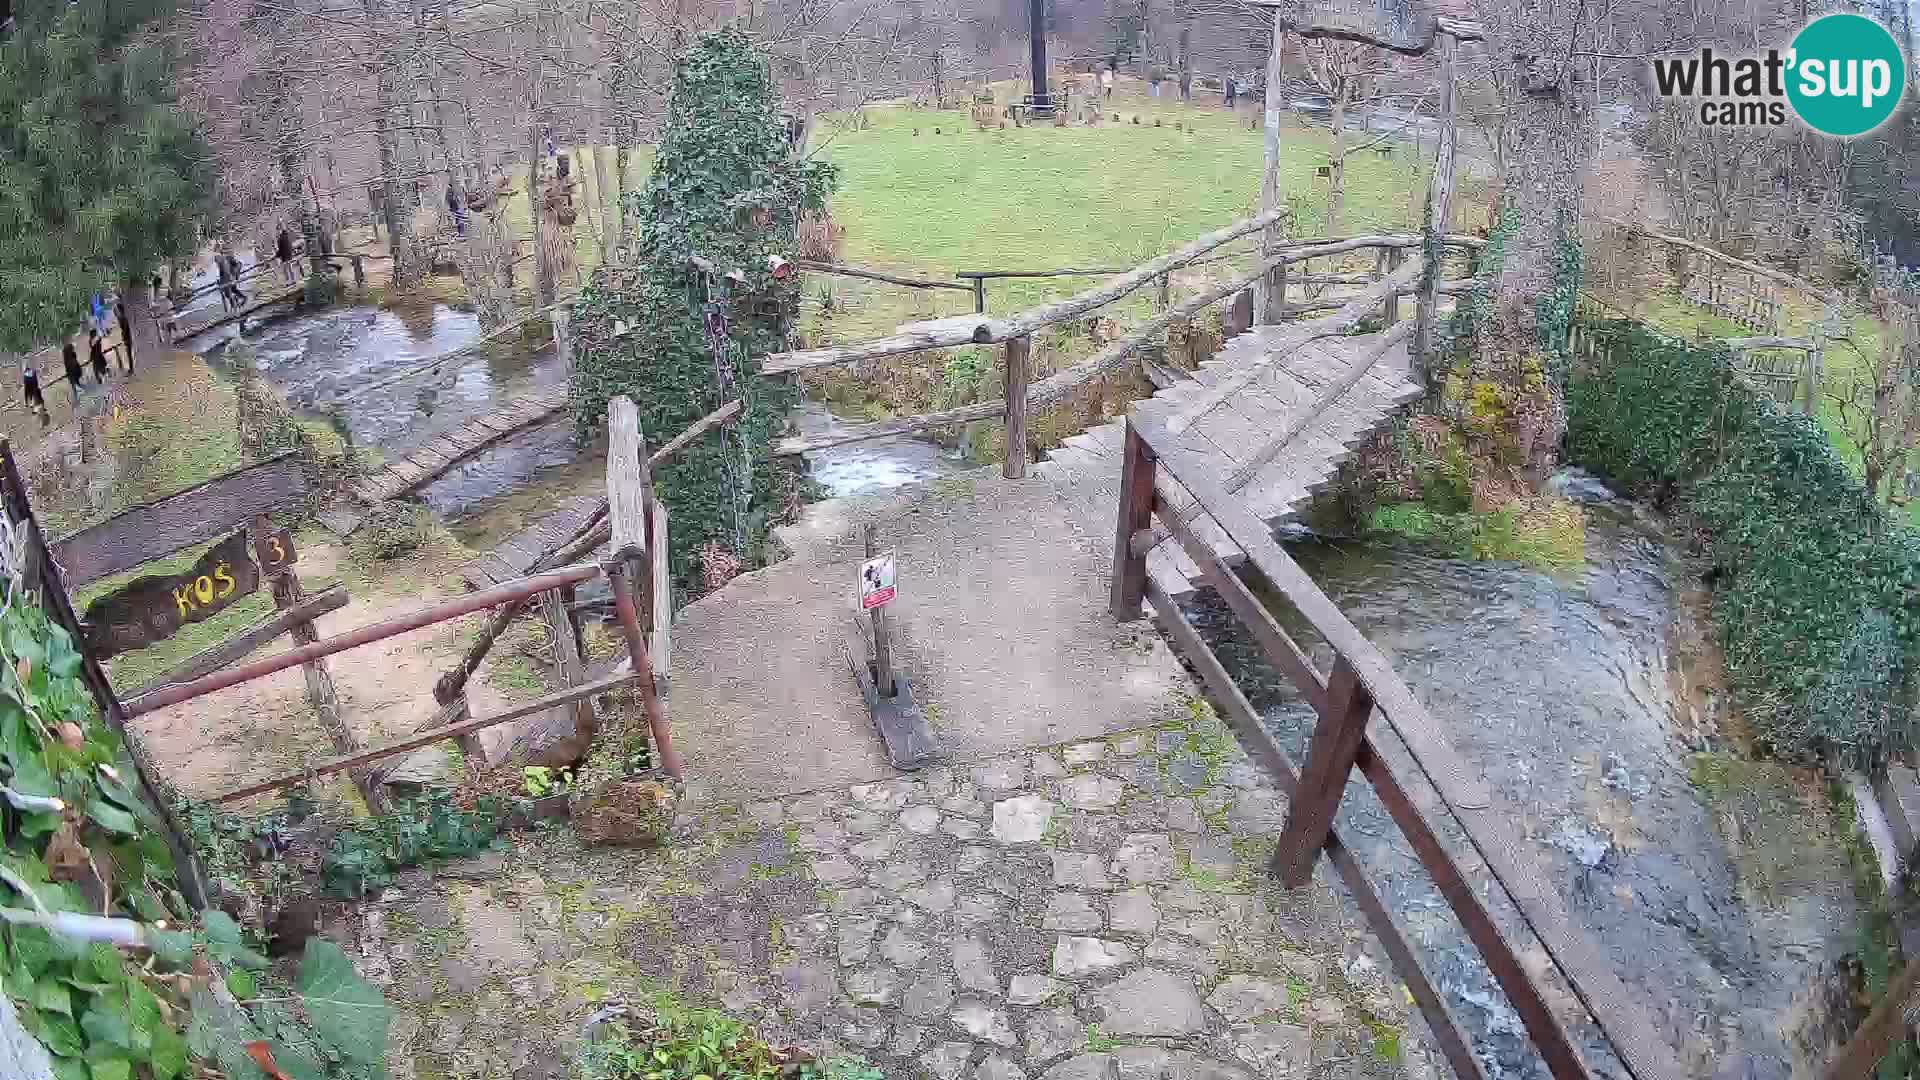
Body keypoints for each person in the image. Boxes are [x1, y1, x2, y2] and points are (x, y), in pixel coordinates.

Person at [114, 298, 133, 373]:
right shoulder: (122, 318)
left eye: (117, 310)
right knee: (129, 354)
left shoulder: (123, 318)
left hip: (127, 338)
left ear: (120, 310)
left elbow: (124, 329)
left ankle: (131, 369)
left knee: (129, 354)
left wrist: (124, 338)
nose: (116, 311)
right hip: (128, 337)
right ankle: (131, 368)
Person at [61, 340, 82, 405]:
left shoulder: (67, 356)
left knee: (75, 386)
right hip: (74, 371)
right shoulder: (71, 355)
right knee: (76, 385)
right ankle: (79, 399)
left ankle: (79, 399)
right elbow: (74, 363)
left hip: (72, 372)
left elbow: (69, 365)